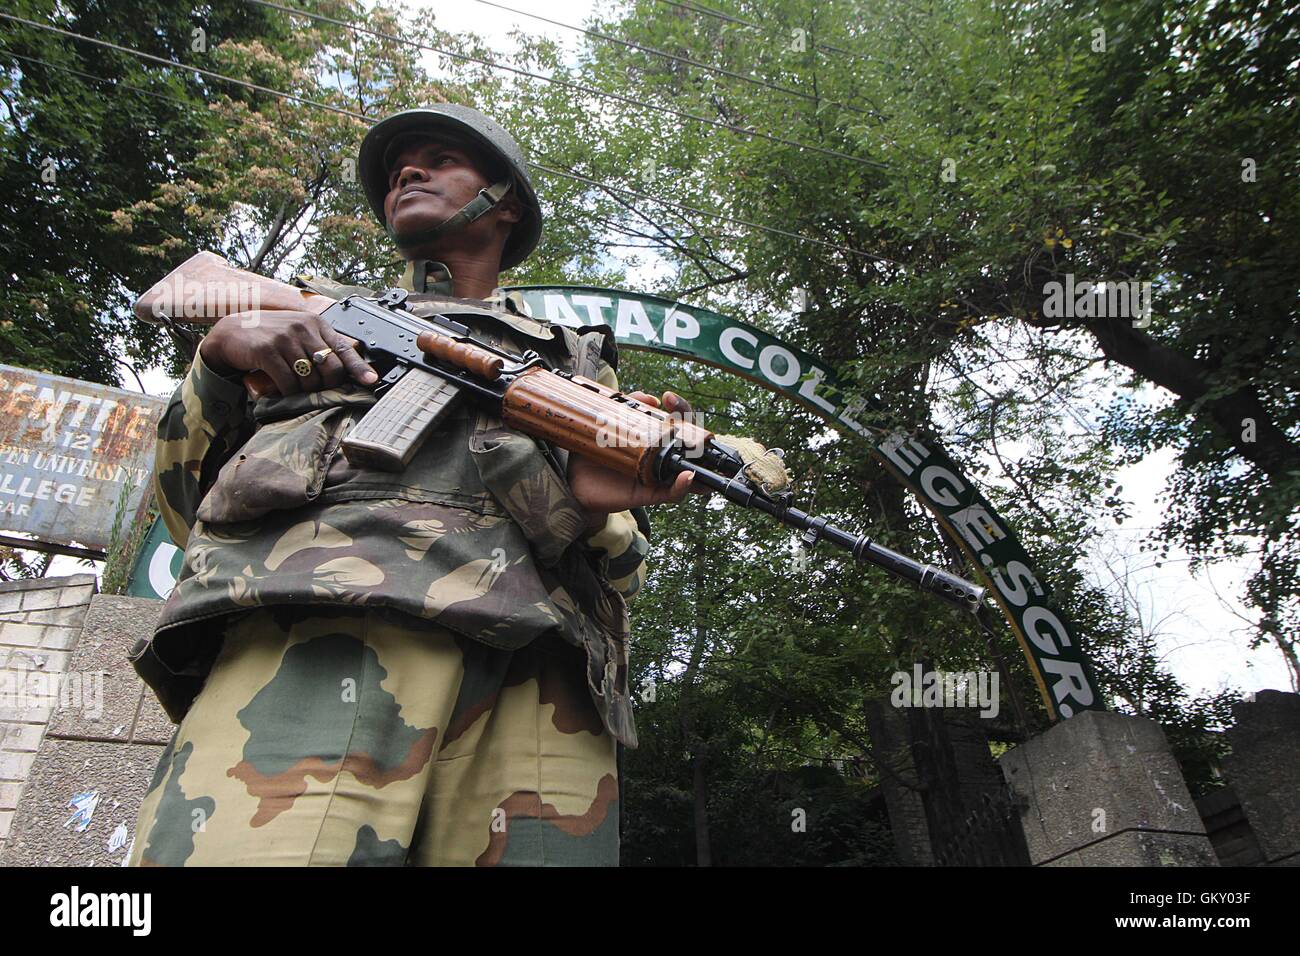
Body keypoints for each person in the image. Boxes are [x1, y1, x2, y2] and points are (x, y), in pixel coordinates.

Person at [127, 104, 699, 866]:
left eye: (440, 157)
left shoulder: (578, 367)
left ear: (508, 203)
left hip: (542, 679)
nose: (409, 171)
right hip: (322, 633)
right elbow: (185, 503)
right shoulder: (306, 311)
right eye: (401, 165)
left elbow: (624, 573)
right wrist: (222, 356)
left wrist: (595, 510)